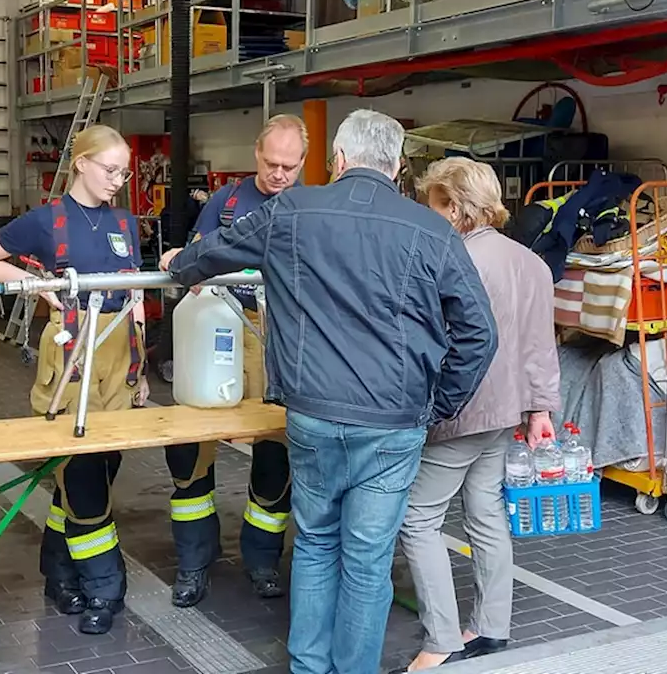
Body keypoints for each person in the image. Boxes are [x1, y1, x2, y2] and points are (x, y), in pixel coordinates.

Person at [159, 109, 498, 674]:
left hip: (313, 414)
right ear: (396, 167)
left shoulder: (291, 209)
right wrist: (439, 403)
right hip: (393, 421)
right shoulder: (431, 229)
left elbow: (209, 254)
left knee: (315, 544)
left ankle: (308, 667)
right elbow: (479, 332)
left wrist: (179, 263)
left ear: (337, 160)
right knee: (367, 560)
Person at [0, 124, 148, 636]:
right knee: (84, 476)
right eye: (110, 169)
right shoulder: (45, 223)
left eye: (124, 172)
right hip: (72, 358)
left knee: (97, 470)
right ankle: (104, 589)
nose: (118, 180)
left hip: (118, 357)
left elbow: (134, 294)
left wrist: (141, 371)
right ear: (82, 163)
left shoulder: (124, 223)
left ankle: (58, 572)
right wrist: (35, 287)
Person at [394, 157, 561, 672]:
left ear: (455, 205)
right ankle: (492, 626)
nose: (429, 213)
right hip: (506, 412)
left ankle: (441, 637)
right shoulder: (530, 262)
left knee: (417, 519)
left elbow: (433, 342)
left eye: (433, 203)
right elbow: (540, 346)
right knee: (485, 514)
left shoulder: (453, 262)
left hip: (460, 413)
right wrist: (540, 408)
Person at [163, 113, 308, 608]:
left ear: (304, 164)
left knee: (275, 447)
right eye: (271, 163)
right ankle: (193, 563)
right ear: (256, 155)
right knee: (192, 448)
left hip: (280, 339)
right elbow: (198, 253)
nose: (279, 174)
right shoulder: (226, 203)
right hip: (219, 327)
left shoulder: (309, 208)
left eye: (290, 166)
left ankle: (263, 560)